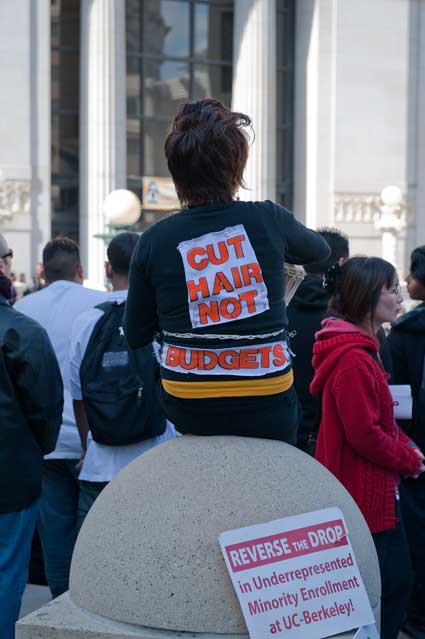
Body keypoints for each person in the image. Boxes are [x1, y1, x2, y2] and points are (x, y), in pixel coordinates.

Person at [124, 98, 330, 442]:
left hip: (187, 401)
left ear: (176, 171)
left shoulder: (154, 239)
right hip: (268, 397)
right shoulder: (267, 217)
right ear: (237, 166)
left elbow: (135, 335)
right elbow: (320, 252)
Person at [310, 256, 425, 639]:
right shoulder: (354, 361)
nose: (399, 296)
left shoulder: (364, 350)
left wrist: (406, 446)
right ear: (366, 297)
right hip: (362, 492)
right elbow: (365, 435)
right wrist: (409, 459)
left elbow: (382, 422)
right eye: (391, 289)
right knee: (389, 588)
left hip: (371, 488)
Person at [15, 238, 106, 598]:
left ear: (43, 273)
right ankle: (90, 604)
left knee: (55, 536)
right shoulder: (97, 304)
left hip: (45, 441)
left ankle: (59, 607)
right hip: (93, 439)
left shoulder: (23, 308)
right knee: (96, 534)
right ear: (80, 270)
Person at [69, 232, 176, 531]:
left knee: (92, 553)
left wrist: (87, 447)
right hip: (153, 462)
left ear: (108, 269)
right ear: (146, 268)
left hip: (98, 468)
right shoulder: (163, 318)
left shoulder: (87, 321)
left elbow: (78, 395)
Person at [0, 233, 63, 638]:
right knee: (7, 574)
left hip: (13, 472)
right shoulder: (23, 331)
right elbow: (46, 409)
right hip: (11, 475)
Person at [387, 245, 425, 639]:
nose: (406, 282)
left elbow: (394, 398)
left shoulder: (404, 332)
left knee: (416, 529)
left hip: (415, 445)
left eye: (411, 274)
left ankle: (417, 615)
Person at [287, 227, 349, 453]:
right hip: (330, 439)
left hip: (284, 431)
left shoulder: (277, 309)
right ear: (342, 263)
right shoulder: (348, 318)